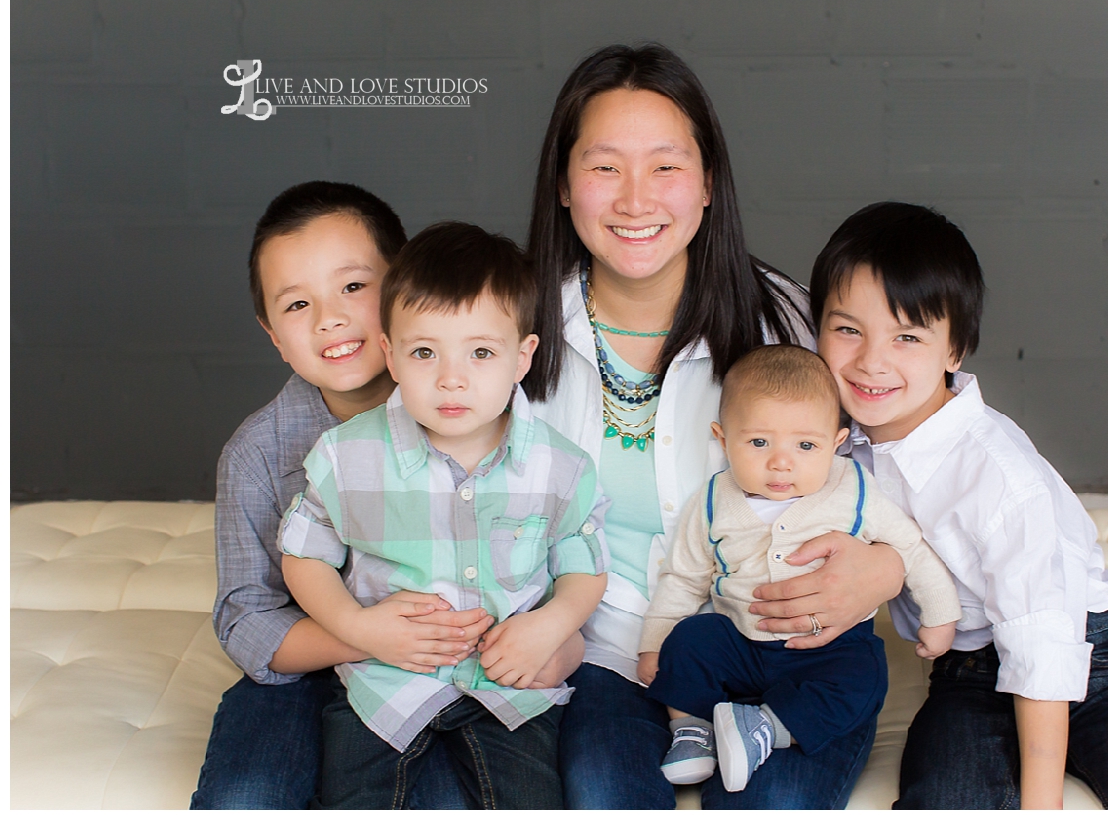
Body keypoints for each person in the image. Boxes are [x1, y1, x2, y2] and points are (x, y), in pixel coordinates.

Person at [524, 42, 907, 809]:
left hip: (793, 648)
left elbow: (902, 450)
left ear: (707, 185)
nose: (636, 199)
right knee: (604, 795)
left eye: (665, 166)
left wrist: (886, 567)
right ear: (564, 186)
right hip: (614, 650)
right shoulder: (512, 327)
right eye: (604, 167)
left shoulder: (789, 319)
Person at [809, 201, 1108, 810]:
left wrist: (1042, 802)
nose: (871, 360)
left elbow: (1042, 649)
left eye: (907, 337)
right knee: (946, 797)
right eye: (847, 329)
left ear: (954, 349)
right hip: (964, 673)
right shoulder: (836, 443)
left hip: (1088, 657)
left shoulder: (999, 477)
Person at [279, 221, 609, 809]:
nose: (451, 378)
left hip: (510, 682)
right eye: (425, 352)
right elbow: (304, 556)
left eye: (481, 352)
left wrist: (553, 623)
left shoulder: (561, 467)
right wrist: (357, 628)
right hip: (384, 679)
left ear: (521, 357)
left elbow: (583, 566)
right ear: (391, 354)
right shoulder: (346, 456)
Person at [193, 183, 496, 810]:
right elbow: (245, 617)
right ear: (273, 333)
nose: (329, 318)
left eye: (354, 287)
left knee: (440, 797)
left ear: (407, 282)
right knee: (243, 798)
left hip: (442, 664)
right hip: (311, 666)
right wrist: (362, 635)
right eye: (297, 304)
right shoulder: (256, 453)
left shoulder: (472, 412)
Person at [635, 344, 961, 792]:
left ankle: (766, 726)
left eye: (806, 445)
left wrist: (941, 616)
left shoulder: (853, 489)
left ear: (837, 444)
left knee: (864, 676)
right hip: (740, 641)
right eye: (758, 442)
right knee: (690, 640)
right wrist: (653, 644)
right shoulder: (713, 500)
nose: (781, 462)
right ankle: (692, 731)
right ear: (723, 438)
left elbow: (911, 549)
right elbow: (685, 577)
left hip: (827, 646)